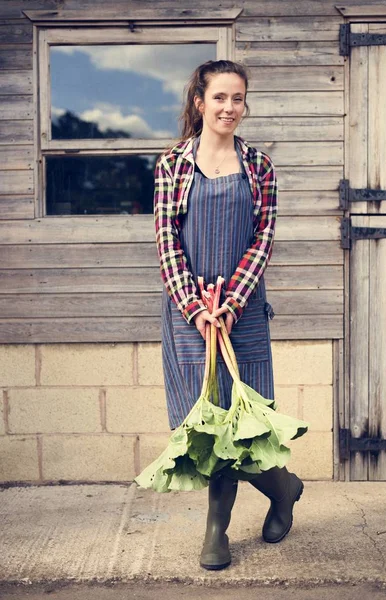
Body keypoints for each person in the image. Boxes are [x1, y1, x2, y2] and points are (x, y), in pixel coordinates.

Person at [153, 60, 303, 571]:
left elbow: (263, 240)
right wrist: (198, 308)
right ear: (200, 101)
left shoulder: (260, 166)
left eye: (237, 98)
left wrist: (232, 301)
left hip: (245, 314)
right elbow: (168, 243)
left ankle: (273, 495)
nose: (229, 108)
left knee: (248, 425)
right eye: (219, 97)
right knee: (208, 426)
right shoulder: (172, 165)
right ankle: (277, 491)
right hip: (188, 314)